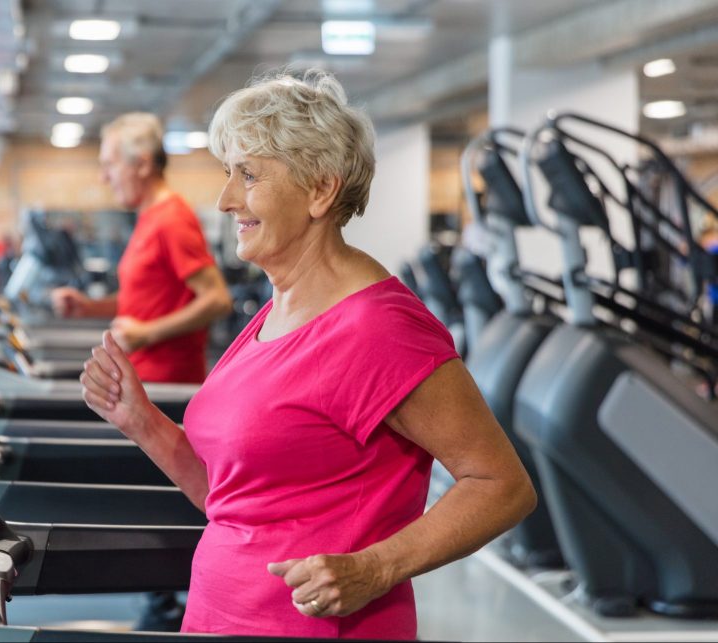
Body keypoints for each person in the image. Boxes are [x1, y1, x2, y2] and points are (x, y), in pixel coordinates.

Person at [79, 70, 536, 639]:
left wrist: (375, 569)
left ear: (320, 188)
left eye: (248, 175)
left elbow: (501, 484)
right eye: (228, 174)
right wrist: (139, 420)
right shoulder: (276, 312)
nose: (225, 200)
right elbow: (231, 498)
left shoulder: (380, 329)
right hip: (220, 617)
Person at [51, 113, 232, 384]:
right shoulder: (149, 217)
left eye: (110, 165)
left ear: (143, 164)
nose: (104, 178)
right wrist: (89, 307)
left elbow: (217, 300)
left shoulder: (172, 219)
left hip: (165, 386)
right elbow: (144, 300)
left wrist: (147, 333)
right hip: (140, 379)